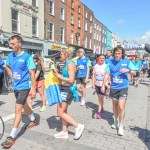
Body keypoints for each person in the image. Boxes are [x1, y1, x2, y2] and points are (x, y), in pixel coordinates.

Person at [2, 35, 38, 148]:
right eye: (10, 43)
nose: (10, 45)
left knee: (18, 110)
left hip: (25, 86)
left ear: (20, 44)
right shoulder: (10, 56)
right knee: (24, 104)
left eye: (13, 44)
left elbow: (32, 74)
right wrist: (11, 74)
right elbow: (6, 66)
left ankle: (12, 136)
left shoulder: (27, 57)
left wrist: (33, 88)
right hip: (16, 86)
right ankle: (33, 119)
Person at [101, 46, 136, 136]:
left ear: (122, 53)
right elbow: (106, 74)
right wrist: (103, 85)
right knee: (115, 106)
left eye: (119, 53)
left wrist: (127, 70)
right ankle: (115, 120)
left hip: (123, 87)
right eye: (116, 53)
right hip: (113, 88)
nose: (117, 55)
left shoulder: (127, 61)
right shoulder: (110, 62)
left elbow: (135, 72)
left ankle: (121, 125)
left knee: (121, 107)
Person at [53, 48, 84, 140]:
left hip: (67, 90)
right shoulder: (67, 63)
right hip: (64, 89)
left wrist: (59, 76)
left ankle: (77, 126)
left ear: (66, 55)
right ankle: (64, 132)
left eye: (61, 54)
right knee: (64, 112)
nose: (60, 56)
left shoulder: (70, 64)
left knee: (60, 112)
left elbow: (71, 80)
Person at [92, 54, 109, 119]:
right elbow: (94, 75)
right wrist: (93, 83)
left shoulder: (106, 66)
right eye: (100, 58)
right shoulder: (95, 66)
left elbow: (108, 75)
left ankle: (99, 113)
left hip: (103, 85)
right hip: (97, 84)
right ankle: (101, 107)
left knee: (101, 98)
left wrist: (107, 85)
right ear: (98, 59)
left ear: (105, 59)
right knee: (100, 98)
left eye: (103, 58)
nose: (102, 59)